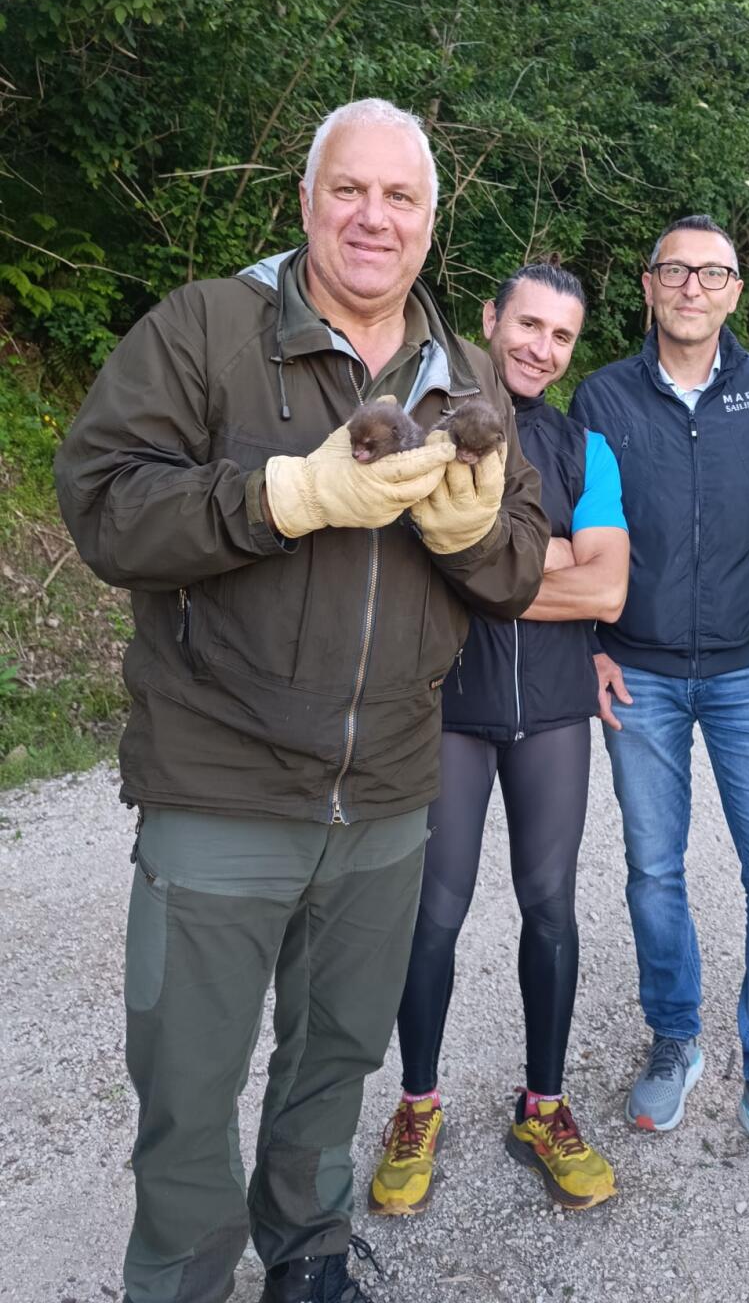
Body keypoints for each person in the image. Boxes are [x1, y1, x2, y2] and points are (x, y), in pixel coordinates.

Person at [54, 99, 548, 1303]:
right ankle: (177, 1275)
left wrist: (479, 535)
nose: (373, 218)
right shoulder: (209, 329)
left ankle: (310, 1247)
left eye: (401, 198)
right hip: (223, 777)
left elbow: (523, 560)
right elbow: (105, 503)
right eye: (350, 191)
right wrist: (281, 496)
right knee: (189, 1071)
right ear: (307, 201)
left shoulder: (466, 371)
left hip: (384, 789)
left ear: (433, 221)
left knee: (335, 1055)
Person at [570, 213, 749, 1191]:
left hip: (748, 671)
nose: (692, 285)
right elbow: (577, 529)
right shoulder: (600, 395)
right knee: (652, 867)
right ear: (647, 286)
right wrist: (590, 644)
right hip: (636, 672)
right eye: (674, 270)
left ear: (734, 291)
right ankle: (674, 1036)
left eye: (711, 272)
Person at [369, 263, 629, 1216]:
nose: (539, 349)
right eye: (527, 326)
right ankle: (418, 1104)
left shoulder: (582, 446)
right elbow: (410, 560)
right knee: (433, 913)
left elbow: (606, 588)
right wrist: (549, 553)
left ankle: (543, 1105)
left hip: (555, 706)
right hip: (449, 703)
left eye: (561, 336)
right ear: (491, 320)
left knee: (550, 905)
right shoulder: (432, 414)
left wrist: (484, 563)